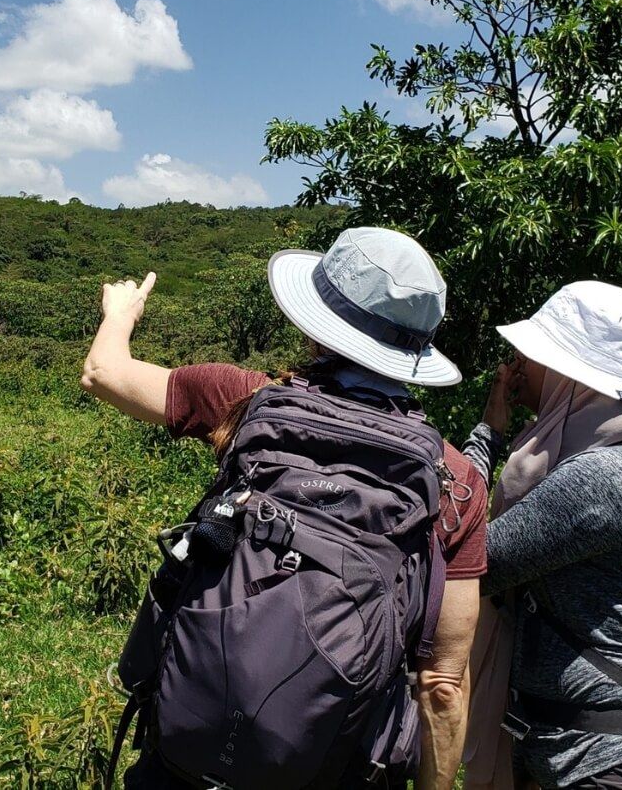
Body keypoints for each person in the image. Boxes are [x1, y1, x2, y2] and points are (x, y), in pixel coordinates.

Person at [80, 227, 488, 790]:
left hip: (187, 761)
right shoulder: (456, 480)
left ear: (315, 324)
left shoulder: (242, 398)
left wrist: (121, 312)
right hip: (337, 766)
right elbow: (442, 683)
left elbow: (104, 373)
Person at [462, 281, 622, 790]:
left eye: (534, 353)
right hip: (597, 758)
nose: (517, 364)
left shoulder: (606, 477)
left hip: (614, 764)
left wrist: (486, 434)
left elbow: (472, 560)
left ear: (573, 375)